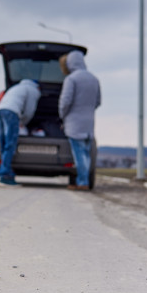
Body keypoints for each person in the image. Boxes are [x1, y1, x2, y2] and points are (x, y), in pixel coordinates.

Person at [58, 50, 101, 191]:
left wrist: (62, 116)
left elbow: (65, 102)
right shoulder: (94, 79)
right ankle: (84, 180)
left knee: (79, 155)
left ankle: (82, 182)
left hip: (74, 123)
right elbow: (98, 101)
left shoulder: (71, 79)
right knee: (86, 154)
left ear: (70, 63)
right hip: (89, 123)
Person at [0, 78, 41, 186]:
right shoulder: (33, 90)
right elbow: (30, 110)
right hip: (12, 113)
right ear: (38, 87)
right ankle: (5, 176)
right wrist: (23, 123)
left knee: (4, 144)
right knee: (10, 144)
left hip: (0, 111)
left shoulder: (17, 87)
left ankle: (4, 172)